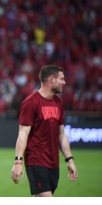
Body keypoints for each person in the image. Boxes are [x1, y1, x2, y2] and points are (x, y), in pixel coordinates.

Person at [11, 64, 78, 197]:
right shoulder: (31, 102)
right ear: (52, 79)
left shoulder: (59, 103)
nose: (64, 82)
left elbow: (61, 134)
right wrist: (18, 161)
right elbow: (23, 133)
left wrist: (69, 159)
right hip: (36, 160)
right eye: (62, 79)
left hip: (53, 162)